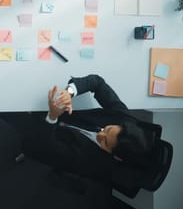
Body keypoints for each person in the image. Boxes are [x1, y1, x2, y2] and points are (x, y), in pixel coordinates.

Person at [17, 74, 155, 186]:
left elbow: (46, 146)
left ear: (115, 156)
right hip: (56, 110)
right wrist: (69, 93)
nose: (100, 133)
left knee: (4, 108)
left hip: (40, 136)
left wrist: (52, 116)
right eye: (108, 129)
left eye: (105, 142)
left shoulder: (93, 165)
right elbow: (97, 82)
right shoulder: (123, 118)